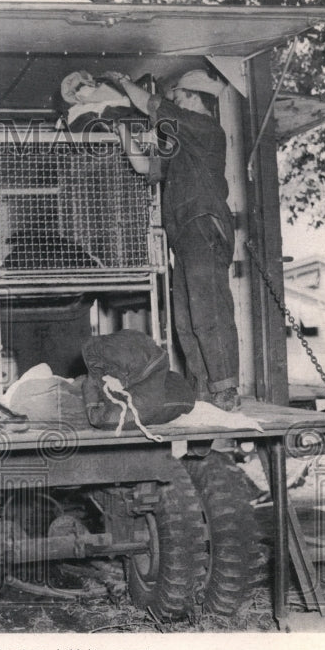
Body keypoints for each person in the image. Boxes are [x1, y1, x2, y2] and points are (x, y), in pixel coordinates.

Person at [101, 68, 241, 411]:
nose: (172, 105)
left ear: (193, 98)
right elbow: (144, 167)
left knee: (208, 310)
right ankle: (204, 389)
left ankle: (225, 387)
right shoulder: (183, 147)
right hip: (185, 233)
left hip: (202, 224)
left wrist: (121, 81)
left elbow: (153, 105)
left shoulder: (205, 128)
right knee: (186, 320)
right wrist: (121, 130)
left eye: (178, 98)